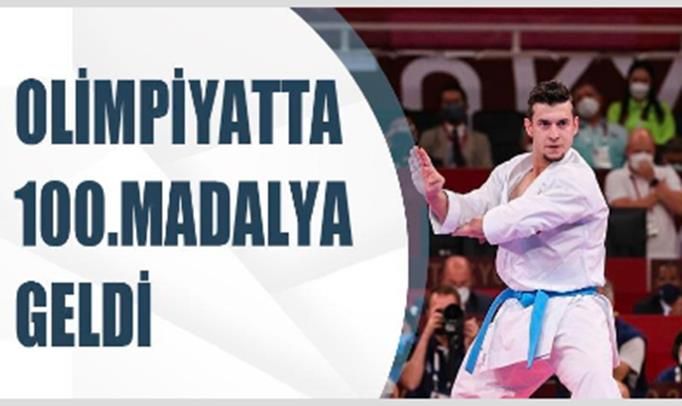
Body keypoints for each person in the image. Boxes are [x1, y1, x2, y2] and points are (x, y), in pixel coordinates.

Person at [408, 80, 620, 398]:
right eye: (544, 124)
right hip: (522, 310)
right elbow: (473, 205)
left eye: (562, 124)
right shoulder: (512, 171)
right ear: (529, 127)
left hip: (574, 312)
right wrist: (436, 197)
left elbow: (522, 216)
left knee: (598, 394)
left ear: (575, 126)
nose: (554, 134)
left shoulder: (578, 180)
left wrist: (480, 226)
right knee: (470, 395)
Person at [604, 128, 682, 259]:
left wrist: (653, 180)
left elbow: (680, 207)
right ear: (627, 151)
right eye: (637, 151)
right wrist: (658, 195)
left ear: (654, 152)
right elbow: (622, 211)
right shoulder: (615, 176)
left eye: (648, 151)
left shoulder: (667, 172)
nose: (643, 156)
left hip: (666, 251)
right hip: (630, 253)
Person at [399, 285, 479, 398]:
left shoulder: (467, 342)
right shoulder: (413, 343)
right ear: (428, 313)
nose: (445, 316)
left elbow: (479, 386)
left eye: (450, 310)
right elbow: (410, 383)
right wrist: (426, 335)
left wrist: (474, 344)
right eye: (439, 311)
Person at [419, 84, 493, 168]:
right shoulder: (429, 137)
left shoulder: (480, 140)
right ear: (440, 107)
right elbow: (420, 169)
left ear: (466, 105)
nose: (452, 106)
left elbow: (487, 170)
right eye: (447, 103)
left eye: (456, 102)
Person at [607, 60, 676, 147]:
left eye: (644, 81)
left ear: (651, 84)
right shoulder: (616, 109)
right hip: (624, 153)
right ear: (628, 82)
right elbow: (613, 138)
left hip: (656, 153)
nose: (639, 84)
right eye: (635, 80)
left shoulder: (663, 108)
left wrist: (647, 145)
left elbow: (669, 137)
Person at [600, 280, 648, 398]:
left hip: (619, 398)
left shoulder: (632, 338)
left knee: (618, 389)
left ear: (609, 304)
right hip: (570, 397)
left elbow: (615, 377)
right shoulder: (573, 333)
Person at [571, 83, 628, 169]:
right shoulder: (570, 135)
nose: (585, 100)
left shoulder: (620, 132)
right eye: (579, 98)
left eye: (589, 95)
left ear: (600, 99)